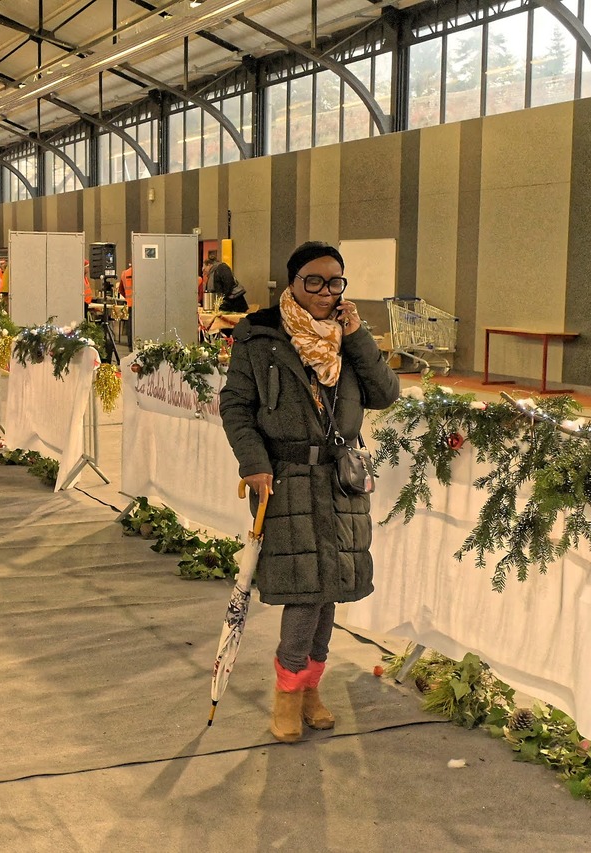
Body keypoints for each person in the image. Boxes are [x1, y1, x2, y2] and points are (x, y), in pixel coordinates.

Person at [218, 241, 399, 744]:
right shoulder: (260, 335)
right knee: (304, 594)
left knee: (330, 592)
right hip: (287, 479)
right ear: (293, 283)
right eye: (313, 281)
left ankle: (310, 691)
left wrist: (357, 337)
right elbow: (236, 406)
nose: (325, 292)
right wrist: (254, 463)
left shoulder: (347, 336)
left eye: (334, 282)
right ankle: (287, 696)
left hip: (341, 481)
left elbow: (385, 393)